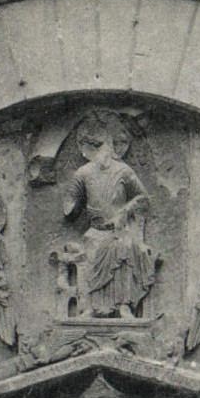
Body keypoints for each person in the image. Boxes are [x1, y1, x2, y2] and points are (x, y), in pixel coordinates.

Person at [61, 113, 156, 318]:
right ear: (88, 148)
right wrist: (72, 207)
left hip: (118, 231)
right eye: (96, 146)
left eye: (106, 145)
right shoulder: (83, 173)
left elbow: (143, 198)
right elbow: (69, 203)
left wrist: (125, 211)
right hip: (95, 231)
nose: (103, 151)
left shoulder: (124, 171)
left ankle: (124, 305)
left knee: (125, 247)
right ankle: (89, 307)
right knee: (91, 251)